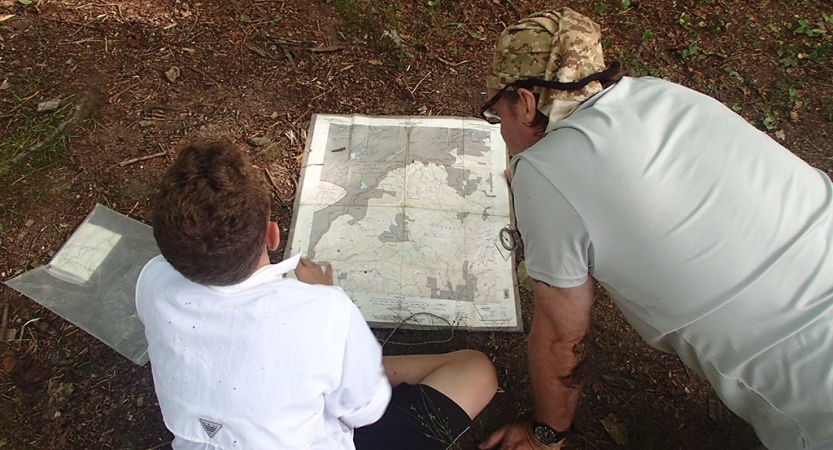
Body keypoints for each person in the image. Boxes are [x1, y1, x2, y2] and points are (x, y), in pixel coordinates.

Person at [477, 8, 833, 450]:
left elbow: (562, 334)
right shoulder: (662, 93)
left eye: (497, 112)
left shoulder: (546, 175)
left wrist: (547, 434)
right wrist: (542, 183)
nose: (500, 127)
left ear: (527, 103)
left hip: (803, 376)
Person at [135, 141, 498, 450]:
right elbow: (366, 411)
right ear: (272, 235)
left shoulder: (152, 282)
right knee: (476, 371)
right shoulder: (326, 313)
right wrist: (327, 297)